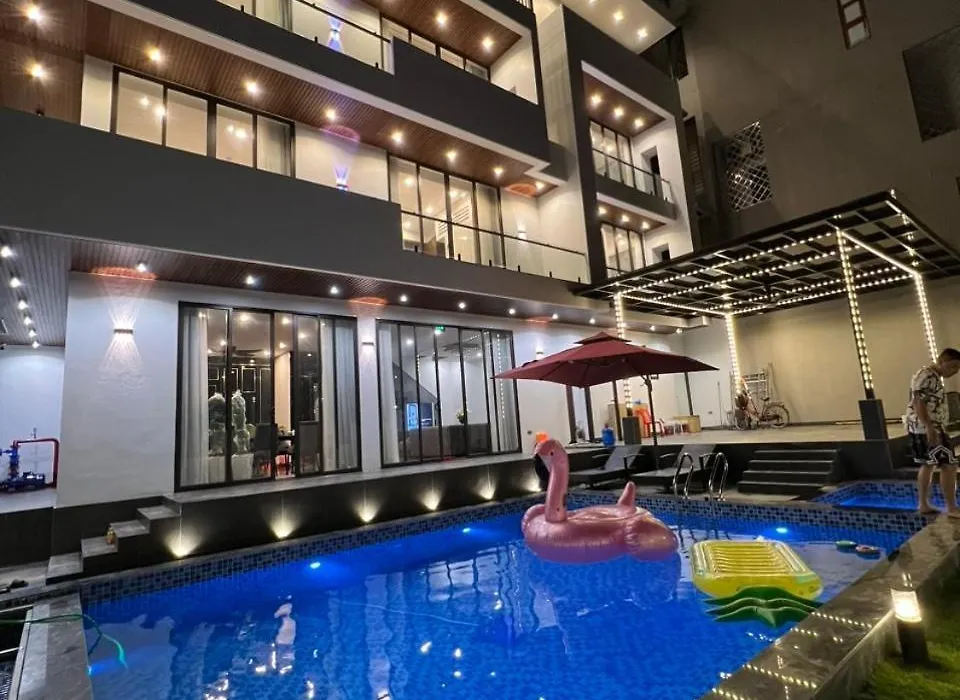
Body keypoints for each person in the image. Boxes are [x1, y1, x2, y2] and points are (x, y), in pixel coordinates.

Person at [906, 348, 960, 516]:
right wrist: (929, 426)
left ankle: (924, 505)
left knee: (928, 464)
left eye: (958, 368)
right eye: (953, 366)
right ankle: (951, 507)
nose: (955, 371)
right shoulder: (927, 376)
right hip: (929, 428)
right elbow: (918, 402)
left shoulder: (932, 376)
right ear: (941, 361)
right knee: (949, 465)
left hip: (928, 427)